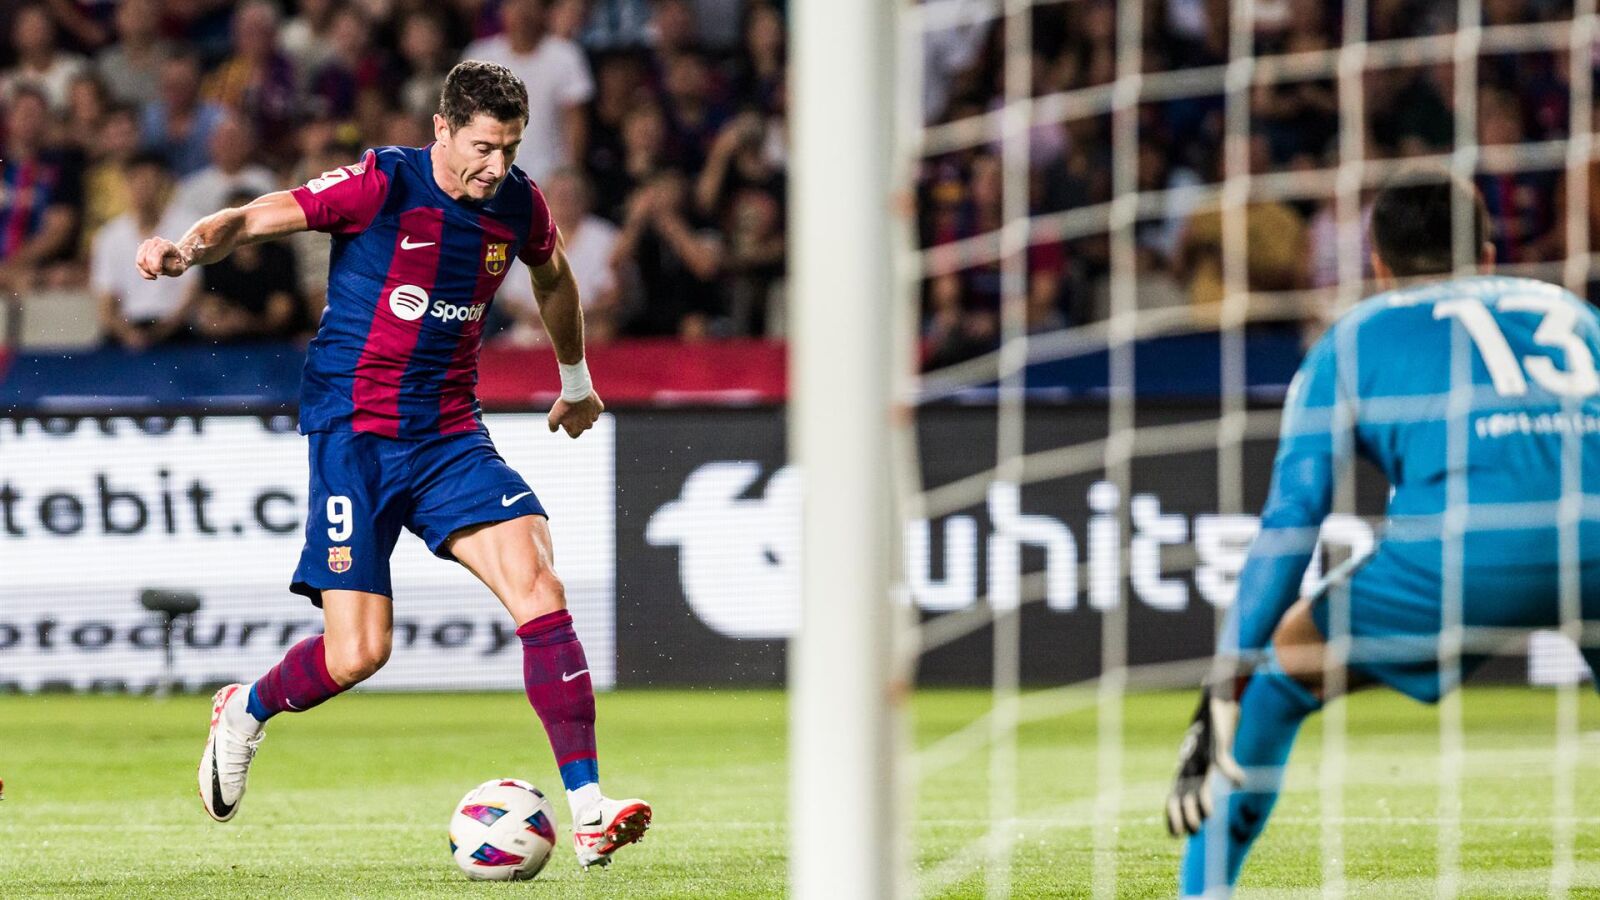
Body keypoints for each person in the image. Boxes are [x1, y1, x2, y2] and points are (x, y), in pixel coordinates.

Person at [133, 60, 651, 868]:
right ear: (442, 129)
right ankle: (245, 709)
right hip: (354, 434)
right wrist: (187, 251)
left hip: (449, 434)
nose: (497, 167)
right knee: (358, 654)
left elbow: (553, 278)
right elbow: (259, 215)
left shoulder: (518, 204)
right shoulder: (381, 183)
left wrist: (577, 381)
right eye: (483, 147)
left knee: (540, 586)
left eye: (511, 149)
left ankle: (588, 809)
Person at [1167, 177, 1600, 895]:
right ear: (1488, 255)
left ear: (1378, 264)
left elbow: (1293, 518)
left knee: (1280, 677)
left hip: (1469, 552)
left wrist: (1225, 678)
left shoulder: (1354, 336)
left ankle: (1203, 891)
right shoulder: (1576, 313)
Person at [94, 151, 197, 350]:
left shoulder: (187, 227)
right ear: (126, 186)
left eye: (150, 182)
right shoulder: (109, 236)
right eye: (136, 181)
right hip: (126, 330)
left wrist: (161, 332)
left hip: (175, 329)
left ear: (163, 185)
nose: (143, 189)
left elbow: (192, 290)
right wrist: (127, 334)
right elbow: (106, 302)